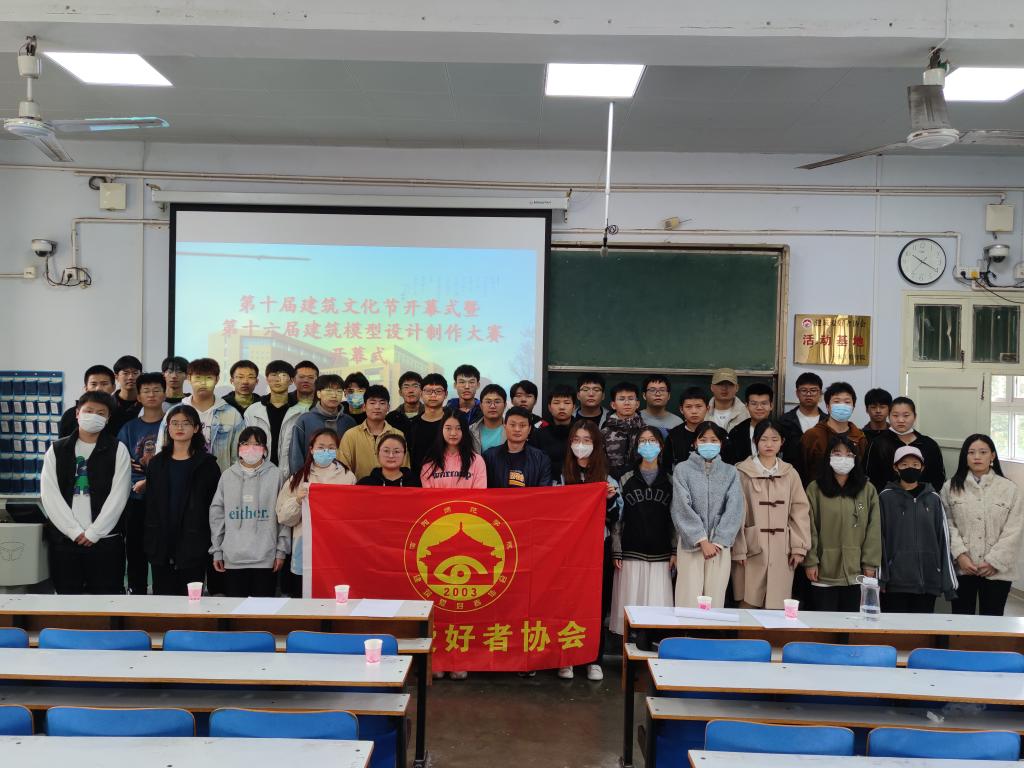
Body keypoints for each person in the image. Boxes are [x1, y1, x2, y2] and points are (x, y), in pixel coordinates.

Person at [40, 391, 131, 594]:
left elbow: (119, 495)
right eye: (88, 411)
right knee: (67, 600)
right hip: (65, 541)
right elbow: (50, 495)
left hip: (105, 541)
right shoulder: (57, 449)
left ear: (108, 418)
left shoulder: (118, 449)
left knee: (107, 600)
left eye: (101, 413)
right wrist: (73, 530)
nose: (94, 416)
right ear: (77, 413)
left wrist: (95, 532)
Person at [557, 420, 622, 682]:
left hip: (598, 549)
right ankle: (566, 658)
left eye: (587, 441)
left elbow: (617, 517)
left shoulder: (607, 478)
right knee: (565, 604)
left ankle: (594, 659)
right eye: (577, 440)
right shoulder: (561, 475)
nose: (581, 445)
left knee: (597, 604)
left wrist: (611, 499)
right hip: (567, 551)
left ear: (596, 445)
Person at [731, 420, 811, 609]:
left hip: (782, 548)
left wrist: (799, 547)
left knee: (777, 604)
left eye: (774, 439)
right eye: (764, 439)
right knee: (748, 601)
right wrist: (739, 548)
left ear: (782, 442)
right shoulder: (741, 472)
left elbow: (799, 511)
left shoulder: (790, 473)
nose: (769, 444)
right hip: (751, 547)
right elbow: (734, 513)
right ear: (755, 441)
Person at [143, 404, 221, 596]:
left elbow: (214, 508)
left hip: (194, 543)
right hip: (161, 543)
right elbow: (150, 506)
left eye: (186, 423)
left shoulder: (207, 465)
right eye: (174, 423)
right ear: (168, 428)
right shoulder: (156, 463)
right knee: (163, 600)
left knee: (192, 601)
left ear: (196, 428)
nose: (179, 427)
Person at [942, 434, 1023, 616]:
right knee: (961, 619)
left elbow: (1014, 529)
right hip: (963, 568)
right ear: (965, 456)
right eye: (971, 452)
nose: (977, 457)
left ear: (992, 455)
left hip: (998, 571)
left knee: (993, 619)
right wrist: (960, 555)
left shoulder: (1009, 489)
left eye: (983, 452)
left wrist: (994, 561)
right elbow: (947, 524)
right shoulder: (950, 487)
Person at [803, 434, 882, 612]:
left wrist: (870, 563)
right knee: (825, 622)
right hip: (823, 571)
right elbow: (809, 527)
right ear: (828, 457)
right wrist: (811, 561)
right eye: (837, 454)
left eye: (848, 454)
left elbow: (874, 529)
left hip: (856, 572)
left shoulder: (867, 489)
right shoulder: (815, 489)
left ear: (855, 458)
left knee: (852, 623)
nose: (843, 459)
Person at [670, 421, 744, 608]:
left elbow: (735, 508)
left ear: (721, 443)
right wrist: (701, 540)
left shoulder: (730, 472)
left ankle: (711, 628)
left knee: (715, 598)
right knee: (688, 597)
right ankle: (686, 627)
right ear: (694, 443)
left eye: (713, 440)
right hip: (691, 543)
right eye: (703, 440)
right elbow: (681, 507)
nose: (708, 444)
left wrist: (718, 541)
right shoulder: (682, 470)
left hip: (719, 546)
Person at [209, 426, 289, 597]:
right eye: (245, 443)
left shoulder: (276, 475)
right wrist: (217, 550)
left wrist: (281, 551)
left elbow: (284, 516)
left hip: (265, 558)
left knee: (263, 610)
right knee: (235, 609)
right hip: (233, 558)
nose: (251, 448)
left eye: (257, 444)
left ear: (265, 449)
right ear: (238, 447)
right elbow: (217, 515)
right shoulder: (227, 476)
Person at [878, 445, 957, 613]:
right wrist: (881, 578)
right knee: (895, 627)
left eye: (915, 464)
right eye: (904, 464)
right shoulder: (885, 497)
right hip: (894, 583)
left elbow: (944, 539)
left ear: (922, 467)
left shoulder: (934, 499)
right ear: (895, 467)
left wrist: (948, 583)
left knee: (922, 628)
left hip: (927, 582)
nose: (910, 468)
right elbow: (878, 539)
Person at [611, 427, 675, 634]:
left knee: (658, 613)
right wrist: (616, 549)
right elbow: (617, 518)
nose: (648, 445)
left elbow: (675, 519)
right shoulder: (625, 478)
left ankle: (654, 646)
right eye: (643, 441)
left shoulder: (671, 479)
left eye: (652, 440)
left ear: (661, 446)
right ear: (636, 447)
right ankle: (628, 647)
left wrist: (675, 550)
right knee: (630, 608)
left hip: (661, 553)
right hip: (630, 551)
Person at [276, 428, 355, 591]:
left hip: (337, 548)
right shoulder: (298, 478)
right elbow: (283, 517)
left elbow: (353, 515)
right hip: (306, 548)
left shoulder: (348, 477)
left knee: (334, 596)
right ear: (311, 449)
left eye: (331, 447)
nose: (326, 451)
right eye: (321, 447)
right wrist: (297, 501)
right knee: (304, 595)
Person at [116, 372, 166, 595]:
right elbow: (121, 462)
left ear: (164, 394)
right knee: (135, 548)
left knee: (162, 547)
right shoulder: (129, 428)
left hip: (164, 498)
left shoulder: (172, 424)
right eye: (146, 391)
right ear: (138, 396)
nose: (151, 395)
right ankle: (136, 591)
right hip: (135, 498)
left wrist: (150, 480)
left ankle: (163, 592)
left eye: (156, 390)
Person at [154, 358, 245, 473]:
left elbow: (238, 457)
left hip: (220, 479)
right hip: (180, 477)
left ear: (217, 379)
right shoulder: (175, 413)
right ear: (189, 378)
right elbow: (161, 449)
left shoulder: (232, 414)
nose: (203, 383)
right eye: (198, 378)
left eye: (208, 378)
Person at [865, 396, 945, 492]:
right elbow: (870, 477)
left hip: (923, 498)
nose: (900, 420)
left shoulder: (929, 444)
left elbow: (938, 478)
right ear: (889, 416)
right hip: (887, 498)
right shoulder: (878, 443)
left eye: (906, 415)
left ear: (915, 416)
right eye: (895, 415)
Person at [243, 360, 309, 469]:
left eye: (283, 375)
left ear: (291, 380)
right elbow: (245, 444)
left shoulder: (303, 412)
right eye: (273, 375)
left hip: (291, 474)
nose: (278, 379)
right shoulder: (253, 411)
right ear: (267, 379)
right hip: (259, 472)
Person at [798, 381, 866, 487]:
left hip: (851, 493)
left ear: (853, 407)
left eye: (847, 402)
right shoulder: (812, 436)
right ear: (827, 406)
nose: (842, 406)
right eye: (836, 401)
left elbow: (861, 471)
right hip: (816, 493)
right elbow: (801, 470)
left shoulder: (859, 437)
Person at [287, 374, 354, 475]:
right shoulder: (305, 420)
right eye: (329, 391)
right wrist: (299, 478)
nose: (334, 395)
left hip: (342, 477)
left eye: (339, 391)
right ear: (318, 393)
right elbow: (296, 455)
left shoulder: (349, 422)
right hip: (311, 477)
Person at [337, 384, 407, 480]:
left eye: (382, 403)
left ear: (388, 407)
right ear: (364, 406)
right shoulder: (350, 435)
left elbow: (405, 469)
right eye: (372, 403)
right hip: (359, 488)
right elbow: (342, 470)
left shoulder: (398, 435)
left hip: (391, 488)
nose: (377, 407)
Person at [484, 407, 552, 488]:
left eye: (522, 425)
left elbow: (544, 492)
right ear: (505, 427)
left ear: (529, 429)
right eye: (512, 425)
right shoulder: (489, 457)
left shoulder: (541, 459)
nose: (517, 429)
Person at [420, 409, 487, 488]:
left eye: (458, 428)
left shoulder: (477, 461)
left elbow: (479, 493)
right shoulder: (430, 462)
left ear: (464, 431)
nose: (453, 433)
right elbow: (427, 494)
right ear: (441, 430)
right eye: (448, 428)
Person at [601, 382, 646, 481]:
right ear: (613, 405)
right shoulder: (604, 433)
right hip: (611, 482)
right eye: (621, 399)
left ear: (637, 404)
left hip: (640, 482)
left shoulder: (646, 432)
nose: (627, 403)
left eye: (631, 399)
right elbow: (598, 463)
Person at [778, 372, 826, 464]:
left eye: (813, 390)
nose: (808, 394)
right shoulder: (785, 420)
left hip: (821, 472)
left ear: (820, 393)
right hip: (791, 471)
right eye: (804, 390)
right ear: (797, 393)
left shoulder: (828, 422)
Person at [58, 365, 116, 438]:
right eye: (93, 384)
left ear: (113, 387)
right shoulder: (70, 415)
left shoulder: (118, 414)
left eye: (104, 384)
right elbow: (63, 442)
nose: (98, 388)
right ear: (86, 388)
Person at [407, 373, 449, 474]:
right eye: (428, 391)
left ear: (446, 394)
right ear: (421, 394)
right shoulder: (413, 424)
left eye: (438, 391)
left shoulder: (453, 422)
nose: (433, 395)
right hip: (418, 478)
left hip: (448, 477)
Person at [531, 384, 576, 477]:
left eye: (567, 403)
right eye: (556, 403)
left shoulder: (582, 431)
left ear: (574, 407)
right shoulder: (538, 434)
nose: (562, 407)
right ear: (549, 407)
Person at [725, 383, 774, 464]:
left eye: (764, 403)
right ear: (747, 406)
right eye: (754, 403)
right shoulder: (736, 432)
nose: (759, 408)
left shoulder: (780, 431)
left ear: (771, 405)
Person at [665, 387, 710, 468]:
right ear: (681, 409)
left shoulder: (718, 433)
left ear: (707, 409)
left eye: (698, 406)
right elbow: (667, 466)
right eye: (688, 407)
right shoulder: (673, 435)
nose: (694, 411)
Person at [469, 384, 507, 453]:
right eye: (488, 402)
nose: (492, 406)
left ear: (505, 405)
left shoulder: (512, 430)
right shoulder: (471, 431)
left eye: (497, 402)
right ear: (481, 406)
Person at [110, 355, 143, 433]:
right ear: (116, 377)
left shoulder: (147, 403)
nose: (131, 377)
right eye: (126, 373)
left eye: (135, 373)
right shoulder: (109, 404)